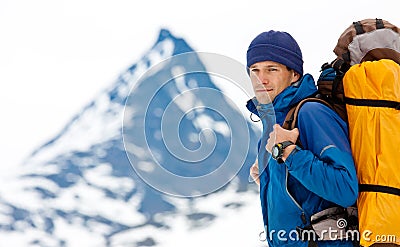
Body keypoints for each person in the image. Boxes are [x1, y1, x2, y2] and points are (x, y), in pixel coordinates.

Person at [246, 30, 358, 247]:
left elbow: (346, 189)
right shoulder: (273, 126)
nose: (261, 79)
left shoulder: (311, 113)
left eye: (272, 69)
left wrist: (288, 153)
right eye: (254, 70)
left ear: (294, 74)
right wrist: (270, 180)